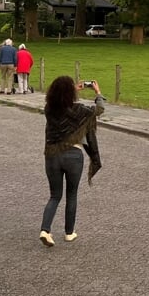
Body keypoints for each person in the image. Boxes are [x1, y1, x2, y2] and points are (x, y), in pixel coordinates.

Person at [40, 75, 105, 247]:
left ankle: (45, 230)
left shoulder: (49, 109)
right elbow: (98, 110)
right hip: (73, 156)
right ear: (71, 93)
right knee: (71, 195)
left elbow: (61, 101)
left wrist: (70, 89)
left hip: (52, 155)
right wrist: (97, 92)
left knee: (54, 196)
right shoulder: (79, 110)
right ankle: (69, 233)